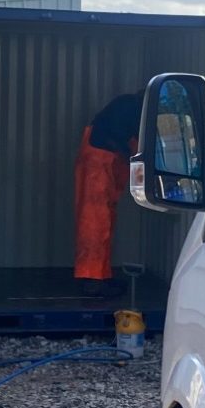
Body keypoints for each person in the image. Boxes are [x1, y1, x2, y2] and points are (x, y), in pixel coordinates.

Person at [74, 91, 144, 299]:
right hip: (98, 163)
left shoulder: (131, 107)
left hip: (105, 163)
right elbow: (112, 138)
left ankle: (100, 275)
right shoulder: (130, 108)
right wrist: (131, 157)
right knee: (95, 223)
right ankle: (92, 282)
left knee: (105, 223)